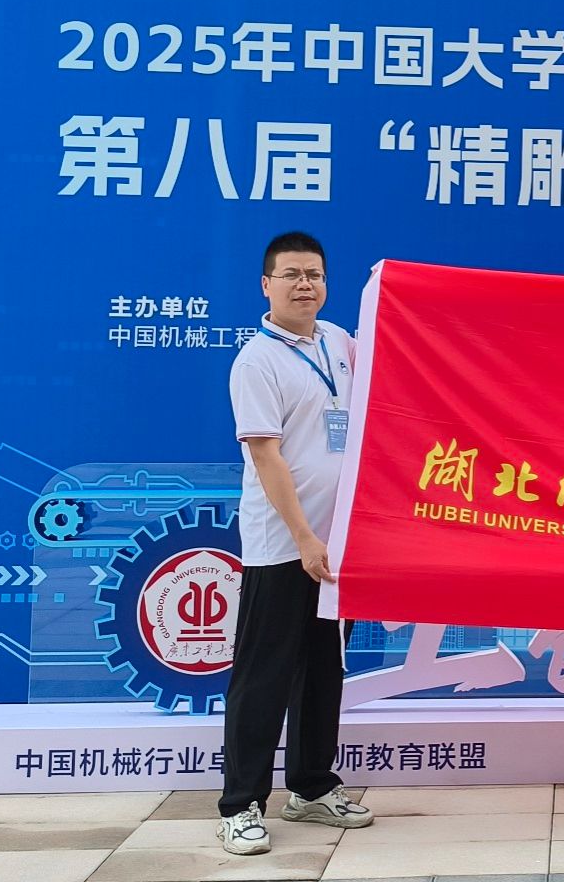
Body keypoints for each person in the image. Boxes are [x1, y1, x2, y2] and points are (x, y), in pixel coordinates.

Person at [217, 231, 374, 855]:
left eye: (314, 274)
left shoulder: (339, 342)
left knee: (323, 672)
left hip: (339, 546)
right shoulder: (257, 361)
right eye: (291, 275)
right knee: (264, 676)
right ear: (266, 285)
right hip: (284, 547)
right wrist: (305, 538)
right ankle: (240, 805)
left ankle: (310, 787)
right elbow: (267, 457)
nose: (305, 285)